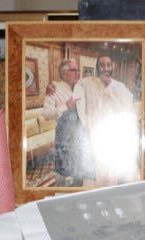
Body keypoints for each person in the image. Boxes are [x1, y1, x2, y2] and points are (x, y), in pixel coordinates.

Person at [73, 53, 139, 185]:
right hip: (92, 135)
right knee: (93, 174)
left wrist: (110, 87)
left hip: (112, 136)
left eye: (108, 65)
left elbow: (128, 108)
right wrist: (86, 126)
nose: (106, 68)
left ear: (112, 67)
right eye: (102, 65)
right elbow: (76, 97)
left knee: (111, 174)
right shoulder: (86, 83)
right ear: (97, 67)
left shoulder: (119, 86)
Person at [43, 59, 94, 186]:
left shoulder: (80, 87)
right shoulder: (54, 89)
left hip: (79, 137)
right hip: (64, 139)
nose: (78, 73)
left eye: (78, 70)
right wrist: (65, 106)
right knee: (64, 175)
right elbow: (46, 114)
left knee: (79, 173)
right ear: (64, 73)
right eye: (74, 70)